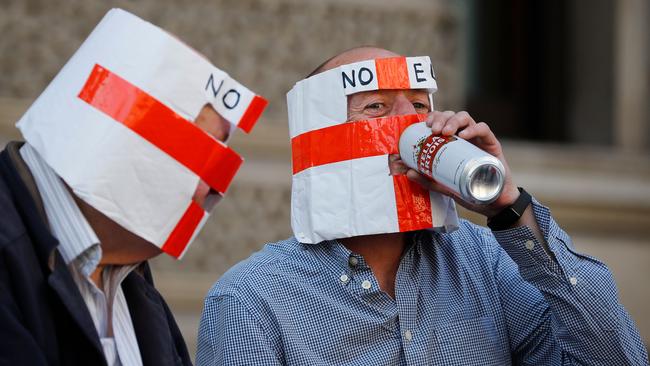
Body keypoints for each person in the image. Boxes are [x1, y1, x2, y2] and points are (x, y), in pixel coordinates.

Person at [196, 46, 648, 365]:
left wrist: (509, 206)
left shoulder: (486, 262)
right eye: (375, 107)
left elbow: (616, 358)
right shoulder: (252, 302)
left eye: (418, 104)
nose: (410, 123)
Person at [0, 9, 266, 366]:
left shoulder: (135, 287)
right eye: (199, 153)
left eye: (220, 166)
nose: (212, 191)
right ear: (118, 132)